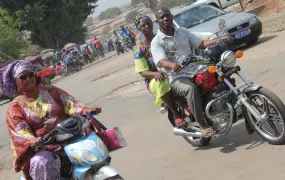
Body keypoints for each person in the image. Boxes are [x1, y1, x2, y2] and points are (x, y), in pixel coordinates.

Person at [4, 60, 102, 180]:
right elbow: (19, 132)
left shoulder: (50, 90)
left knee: (93, 145)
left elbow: (69, 103)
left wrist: (85, 110)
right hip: (44, 147)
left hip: (70, 136)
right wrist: (33, 140)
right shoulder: (15, 108)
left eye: (30, 74)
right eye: (22, 77)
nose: (28, 78)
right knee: (42, 162)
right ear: (16, 83)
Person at [151, 7, 233, 137]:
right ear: (157, 21)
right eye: (162, 17)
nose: (165, 18)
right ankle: (202, 125)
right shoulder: (156, 42)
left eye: (167, 15)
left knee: (221, 72)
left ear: (172, 16)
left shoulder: (182, 31)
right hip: (176, 76)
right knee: (190, 89)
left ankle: (230, 104)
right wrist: (172, 65)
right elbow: (161, 61)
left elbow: (200, 43)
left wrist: (219, 39)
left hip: (195, 67)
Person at [133, 14, 185, 127]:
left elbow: (174, 51)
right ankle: (175, 114)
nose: (147, 26)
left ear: (153, 24)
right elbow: (142, 72)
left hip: (170, 69)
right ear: (139, 28)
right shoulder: (139, 48)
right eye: (143, 25)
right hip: (155, 77)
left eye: (148, 23)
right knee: (162, 82)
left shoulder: (160, 38)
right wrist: (155, 73)